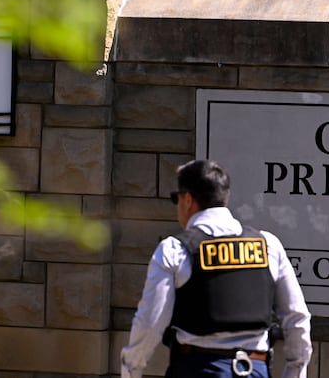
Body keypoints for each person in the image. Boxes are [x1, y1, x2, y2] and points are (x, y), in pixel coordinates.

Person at [121, 159, 312, 378]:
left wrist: (130, 370)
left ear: (188, 200)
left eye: (177, 199)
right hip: (254, 370)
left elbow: (150, 323)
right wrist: (295, 372)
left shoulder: (175, 249)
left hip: (197, 370)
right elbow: (297, 318)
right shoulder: (268, 245)